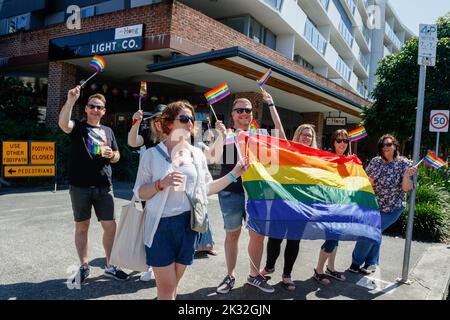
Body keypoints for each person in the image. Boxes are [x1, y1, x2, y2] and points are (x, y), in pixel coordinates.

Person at [133, 100, 249, 300]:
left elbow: (207, 189)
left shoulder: (197, 154)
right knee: (167, 290)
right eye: (184, 119)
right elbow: (139, 193)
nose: (190, 123)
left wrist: (234, 174)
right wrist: (161, 184)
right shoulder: (152, 155)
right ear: (169, 123)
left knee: (173, 286)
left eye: (192, 119)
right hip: (160, 226)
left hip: (189, 226)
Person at [58, 85, 129, 284]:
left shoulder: (108, 131)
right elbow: (63, 124)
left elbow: (117, 156)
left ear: (104, 111)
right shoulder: (79, 128)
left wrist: (112, 155)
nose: (96, 110)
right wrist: (71, 100)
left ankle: (110, 265)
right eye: (92, 106)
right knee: (82, 227)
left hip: (104, 186)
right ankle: (84, 266)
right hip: (80, 186)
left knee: (110, 226)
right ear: (87, 109)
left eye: (100, 107)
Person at [213, 93, 280, 295]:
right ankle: (230, 275)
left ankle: (253, 276)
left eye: (248, 110)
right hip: (231, 191)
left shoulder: (259, 135)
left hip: (256, 193)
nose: (244, 113)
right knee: (232, 234)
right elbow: (213, 157)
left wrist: (271, 103)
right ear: (232, 114)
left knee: (257, 235)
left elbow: (281, 137)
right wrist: (220, 137)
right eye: (239, 110)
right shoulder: (224, 134)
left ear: (252, 114)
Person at [260, 123, 318, 291]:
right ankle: (269, 267)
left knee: (293, 240)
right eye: (304, 134)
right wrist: (270, 105)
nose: (307, 137)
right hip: (282, 201)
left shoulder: (315, 156)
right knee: (275, 237)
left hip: (302, 204)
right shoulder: (287, 150)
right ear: (297, 135)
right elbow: (279, 128)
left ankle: (287, 275)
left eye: (310, 135)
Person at [348, 134, 417, 274]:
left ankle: (356, 264)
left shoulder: (403, 163)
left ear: (395, 146)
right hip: (374, 206)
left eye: (389, 144)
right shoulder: (376, 161)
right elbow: (368, 182)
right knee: (374, 232)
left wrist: (406, 176)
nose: (386, 147)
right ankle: (370, 263)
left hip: (393, 208)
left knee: (371, 231)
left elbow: (406, 188)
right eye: (383, 145)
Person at [127, 104, 167, 282]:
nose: (160, 122)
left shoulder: (176, 137)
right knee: (150, 226)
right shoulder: (147, 135)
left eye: (163, 118)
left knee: (165, 226)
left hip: (170, 190)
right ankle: (150, 264)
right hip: (150, 188)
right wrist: (136, 123)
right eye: (157, 118)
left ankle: (163, 264)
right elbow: (132, 142)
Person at [312, 129, 349, 285]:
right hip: (329, 206)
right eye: (339, 140)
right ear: (333, 142)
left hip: (344, 206)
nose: (342, 144)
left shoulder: (349, 161)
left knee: (336, 238)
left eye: (345, 141)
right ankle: (319, 270)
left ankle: (330, 268)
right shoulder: (327, 159)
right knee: (332, 239)